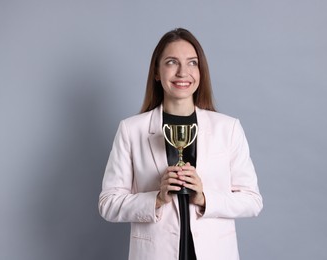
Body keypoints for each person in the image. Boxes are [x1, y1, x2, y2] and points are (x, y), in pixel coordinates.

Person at [98, 28, 263, 260]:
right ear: (157, 71)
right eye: (172, 62)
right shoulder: (131, 130)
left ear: (201, 71)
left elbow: (252, 201)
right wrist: (156, 198)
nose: (183, 72)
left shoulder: (228, 128)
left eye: (192, 63)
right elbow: (108, 204)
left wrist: (205, 198)